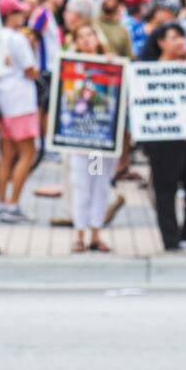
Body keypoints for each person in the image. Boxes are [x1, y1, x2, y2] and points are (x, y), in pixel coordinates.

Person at [138, 23, 186, 254]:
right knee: (166, 189)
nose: (180, 42)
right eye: (174, 38)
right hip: (163, 140)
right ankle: (171, 238)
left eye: (182, 37)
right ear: (161, 42)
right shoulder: (149, 70)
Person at [62, 22, 118, 253]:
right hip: (79, 139)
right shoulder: (70, 68)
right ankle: (79, 234)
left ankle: (96, 233)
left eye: (90, 36)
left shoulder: (109, 66)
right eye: (81, 36)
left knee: (99, 184)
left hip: (99, 141)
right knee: (80, 185)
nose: (86, 40)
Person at [0, 0, 40, 224]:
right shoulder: (18, 39)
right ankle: (13, 204)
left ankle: (0, 203)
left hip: (2, 101)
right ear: (9, 16)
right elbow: (31, 70)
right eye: (18, 13)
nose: (22, 16)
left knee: (6, 155)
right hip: (20, 101)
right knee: (26, 155)